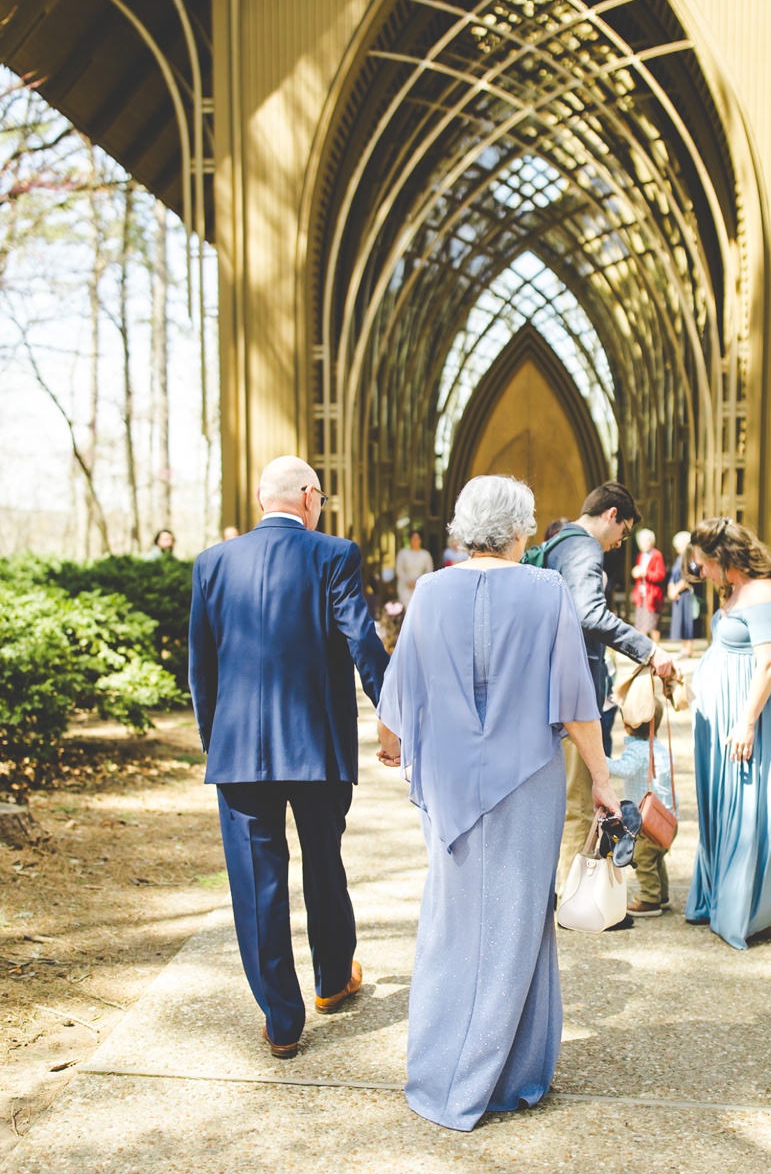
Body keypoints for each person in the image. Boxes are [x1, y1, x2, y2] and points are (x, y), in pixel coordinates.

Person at [374, 474, 615, 1131]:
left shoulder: (431, 591)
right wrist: (601, 777)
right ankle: (510, 1075)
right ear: (520, 529)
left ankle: (444, 1067)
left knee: (452, 917)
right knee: (520, 915)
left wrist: (392, 744)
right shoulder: (546, 590)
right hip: (527, 777)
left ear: (463, 528)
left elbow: (401, 683)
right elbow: (575, 698)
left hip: (451, 779)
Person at [187, 456, 388, 1058]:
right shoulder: (335, 555)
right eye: (320, 498)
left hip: (239, 751)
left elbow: (201, 664)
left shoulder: (212, 563)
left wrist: (216, 739)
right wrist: (395, 714)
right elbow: (362, 639)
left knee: (256, 882)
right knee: (325, 861)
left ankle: (282, 1021)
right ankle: (332, 979)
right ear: (307, 497)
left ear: (260, 499)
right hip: (316, 747)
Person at [543, 481, 677, 902]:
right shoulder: (585, 547)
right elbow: (589, 614)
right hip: (573, 694)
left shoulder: (556, 544)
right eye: (624, 532)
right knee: (581, 802)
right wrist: (649, 649)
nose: (620, 543)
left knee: (569, 799)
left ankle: (565, 894)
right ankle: (574, 899)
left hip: (550, 690)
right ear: (611, 515)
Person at [686, 517, 771, 950]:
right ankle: (720, 894)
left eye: (703, 563)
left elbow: (768, 665)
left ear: (724, 557)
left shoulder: (764, 594)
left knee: (748, 802)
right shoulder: (735, 589)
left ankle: (752, 910)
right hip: (725, 714)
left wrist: (746, 720)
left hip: (754, 715)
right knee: (721, 801)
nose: (700, 572)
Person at [607, 686, 674, 918]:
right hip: (665, 819)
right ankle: (662, 895)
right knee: (657, 858)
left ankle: (649, 898)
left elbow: (623, 769)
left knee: (643, 859)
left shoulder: (636, 750)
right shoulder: (660, 747)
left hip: (646, 822)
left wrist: (600, 761)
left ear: (628, 724)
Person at [630, 527, 667, 641]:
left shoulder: (656, 555)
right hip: (641, 594)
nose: (641, 544)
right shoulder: (640, 555)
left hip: (652, 595)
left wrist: (645, 573)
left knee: (653, 625)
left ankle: (656, 647)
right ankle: (643, 647)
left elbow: (660, 575)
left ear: (650, 542)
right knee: (641, 624)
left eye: (644, 541)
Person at [667, 529, 699, 657]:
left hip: (686, 593)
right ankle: (684, 647)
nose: (677, 549)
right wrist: (671, 588)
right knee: (681, 619)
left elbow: (691, 575)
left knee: (687, 619)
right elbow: (672, 576)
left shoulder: (691, 559)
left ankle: (689, 648)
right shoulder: (678, 559)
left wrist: (677, 588)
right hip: (678, 594)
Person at [394, 530, 433, 606]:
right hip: (405, 585)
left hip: (420, 586)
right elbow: (399, 570)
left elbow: (429, 570)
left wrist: (418, 582)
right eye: (413, 539)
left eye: (417, 539)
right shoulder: (403, 553)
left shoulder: (425, 554)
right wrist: (408, 582)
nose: (415, 541)